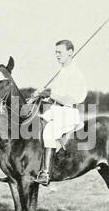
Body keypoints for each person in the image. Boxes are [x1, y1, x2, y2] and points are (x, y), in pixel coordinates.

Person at [33, 40, 88, 186]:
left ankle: (45, 173)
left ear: (70, 52)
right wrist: (40, 96)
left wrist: (49, 94)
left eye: (60, 52)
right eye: (55, 52)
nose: (57, 55)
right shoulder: (62, 72)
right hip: (56, 111)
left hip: (69, 113)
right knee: (34, 126)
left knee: (49, 132)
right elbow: (54, 98)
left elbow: (70, 99)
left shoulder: (75, 74)